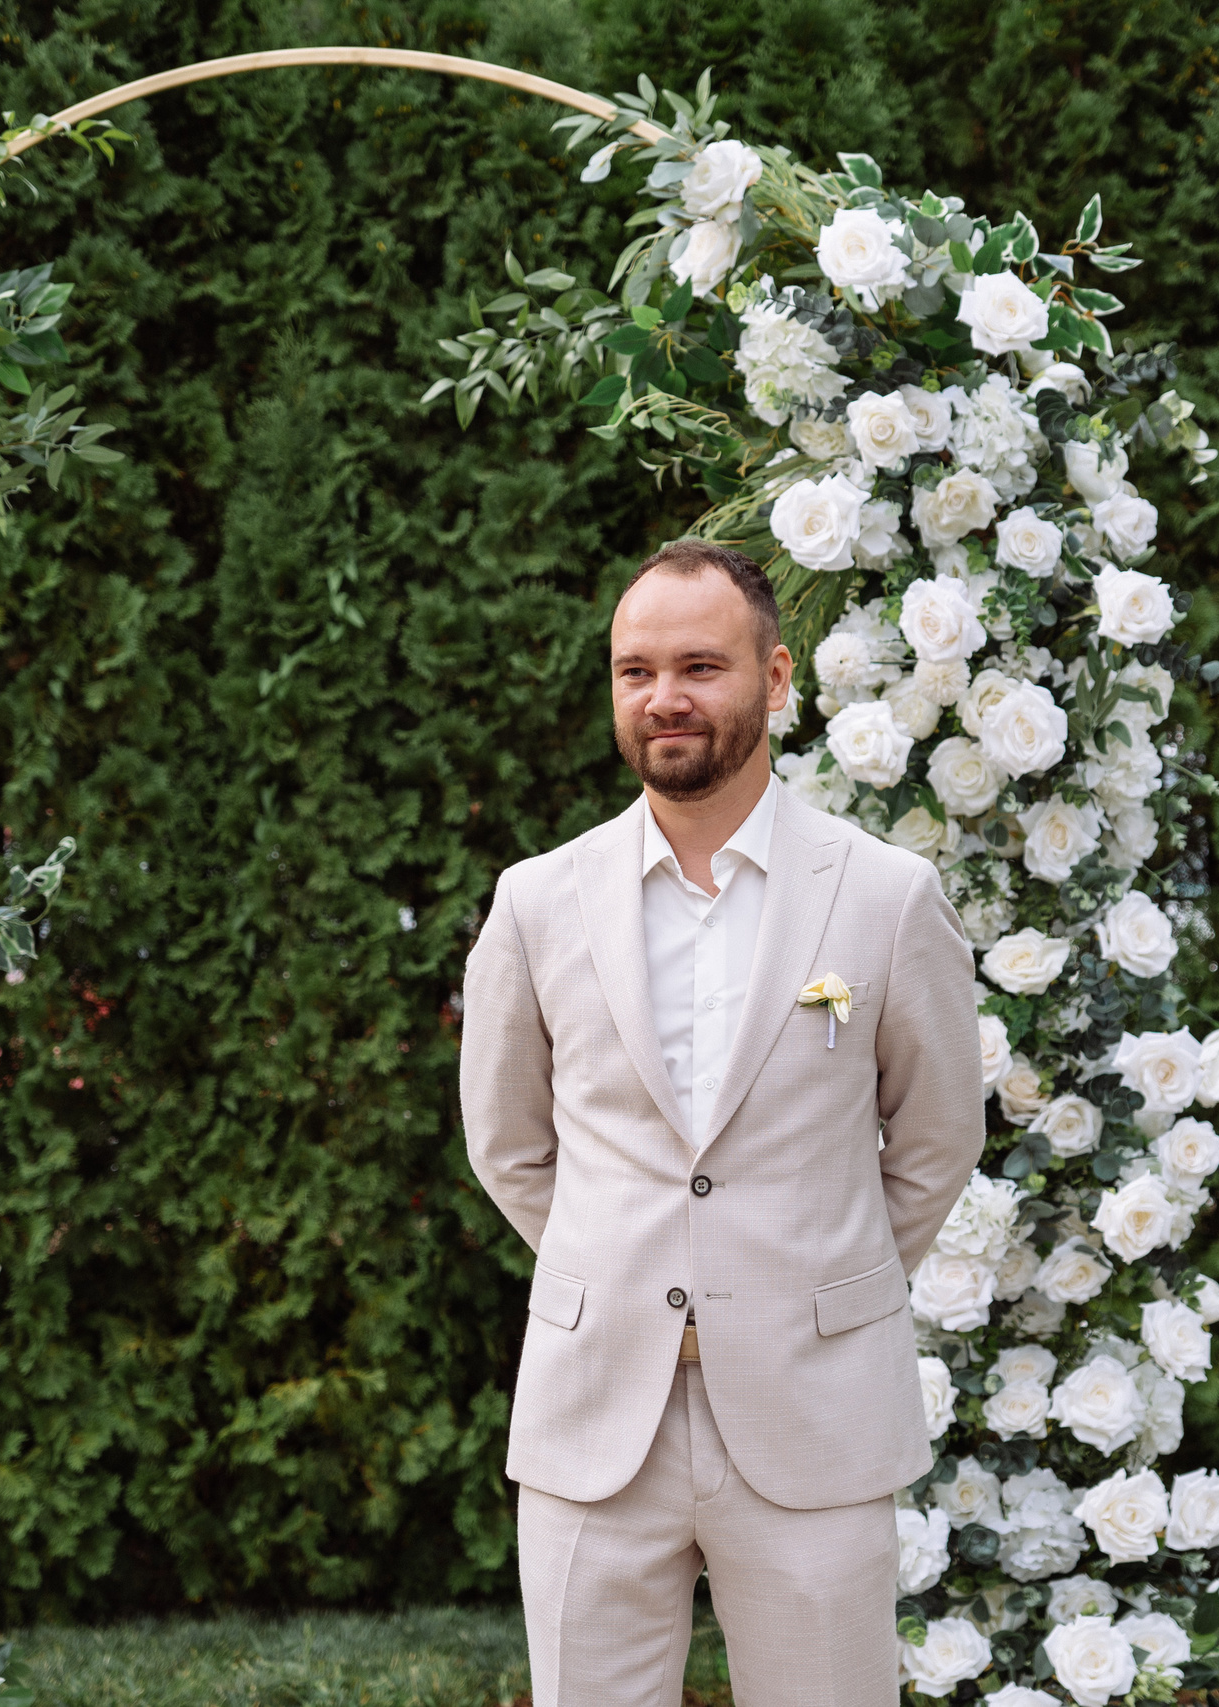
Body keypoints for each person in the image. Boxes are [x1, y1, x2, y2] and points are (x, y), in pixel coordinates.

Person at [461, 538, 985, 1704]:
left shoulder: (885, 898)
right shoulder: (538, 902)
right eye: (633, 670)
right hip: (597, 1420)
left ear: (778, 678)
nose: (665, 699)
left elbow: (940, 1139)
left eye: (700, 665)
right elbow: (507, 1146)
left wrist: (811, 1276)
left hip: (815, 1411)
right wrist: (621, 1265)